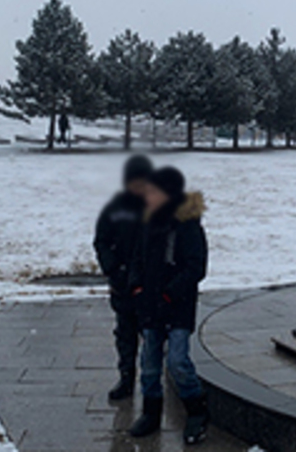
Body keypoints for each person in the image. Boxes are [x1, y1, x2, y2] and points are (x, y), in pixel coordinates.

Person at [127, 166, 210, 445]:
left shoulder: (188, 225)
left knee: (178, 361)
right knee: (149, 363)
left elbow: (196, 267)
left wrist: (170, 294)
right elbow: (137, 259)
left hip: (177, 305)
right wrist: (137, 287)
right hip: (150, 304)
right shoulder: (148, 223)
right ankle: (151, 413)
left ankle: (196, 411)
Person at [93, 154, 153, 400]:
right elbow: (102, 241)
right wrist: (113, 269)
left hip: (150, 285)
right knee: (125, 335)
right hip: (122, 283)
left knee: (152, 336)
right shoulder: (115, 208)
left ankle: (154, 382)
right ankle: (126, 378)